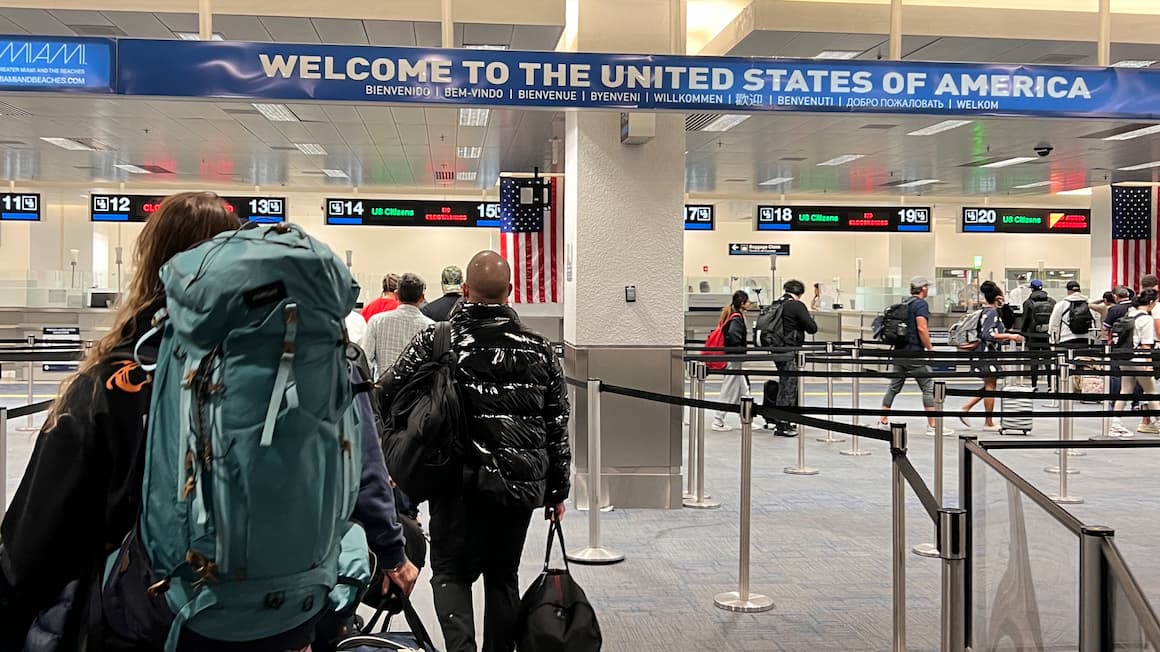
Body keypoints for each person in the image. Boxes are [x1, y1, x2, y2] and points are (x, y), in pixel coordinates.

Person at [0, 193, 419, 651]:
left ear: (159, 269)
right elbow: (363, 476)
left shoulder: (122, 377)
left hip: (154, 618)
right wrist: (391, 554)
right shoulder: (317, 361)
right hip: (290, 616)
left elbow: (35, 541)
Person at [381, 251, 570, 652]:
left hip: (454, 483)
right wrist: (558, 490)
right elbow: (556, 424)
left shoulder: (436, 339)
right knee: (503, 576)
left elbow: (385, 393)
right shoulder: (540, 349)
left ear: (465, 291)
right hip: (518, 486)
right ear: (510, 293)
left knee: (450, 572)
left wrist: (394, 453)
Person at [877, 276, 951, 438]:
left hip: (899, 351)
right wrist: (930, 349)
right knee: (928, 387)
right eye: (927, 287)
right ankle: (933, 424)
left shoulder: (906, 303)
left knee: (894, 387)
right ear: (923, 288)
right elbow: (922, 328)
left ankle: (882, 420)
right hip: (914, 352)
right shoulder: (921, 305)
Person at [960, 281, 1025, 431]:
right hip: (987, 353)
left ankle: (966, 408)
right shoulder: (991, 313)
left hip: (985, 353)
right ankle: (987, 421)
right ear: (998, 298)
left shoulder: (986, 311)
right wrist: (1011, 336)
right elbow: (988, 334)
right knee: (990, 386)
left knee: (990, 385)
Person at [764, 280, 818, 437]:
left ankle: (780, 418)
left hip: (776, 348)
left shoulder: (777, 303)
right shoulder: (795, 305)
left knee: (784, 383)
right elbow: (812, 328)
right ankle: (783, 424)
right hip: (789, 350)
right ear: (800, 293)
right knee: (789, 386)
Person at [363, 272, 434, 378]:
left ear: (396, 295)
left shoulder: (377, 321)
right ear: (422, 298)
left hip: (383, 390)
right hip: (417, 392)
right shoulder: (431, 327)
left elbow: (365, 362)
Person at [1111, 290, 1160, 437]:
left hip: (1125, 357)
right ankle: (1158, 421)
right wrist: (1149, 364)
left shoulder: (1130, 314)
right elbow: (1146, 345)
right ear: (1151, 302)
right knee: (1151, 392)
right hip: (1140, 359)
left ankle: (1115, 423)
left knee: (1125, 391)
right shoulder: (1146, 319)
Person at [712, 290, 753, 431]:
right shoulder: (736, 318)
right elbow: (734, 337)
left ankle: (747, 417)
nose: (749, 304)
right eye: (747, 302)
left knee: (744, 390)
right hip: (734, 357)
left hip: (733, 357)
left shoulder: (733, 315)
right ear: (742, 303)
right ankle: (718, 419)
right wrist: (740, 350)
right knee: (729, 388)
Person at [1020, 279, 1055, 390]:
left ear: (1032, 289)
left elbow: (1025, 320)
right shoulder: (1052, 301)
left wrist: (1023, 334)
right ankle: (1050, 385)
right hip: (1047, 336)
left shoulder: (1028, 302)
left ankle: (1034, 385)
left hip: (1033, 336)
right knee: (1048, 361)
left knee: (1034, 361)